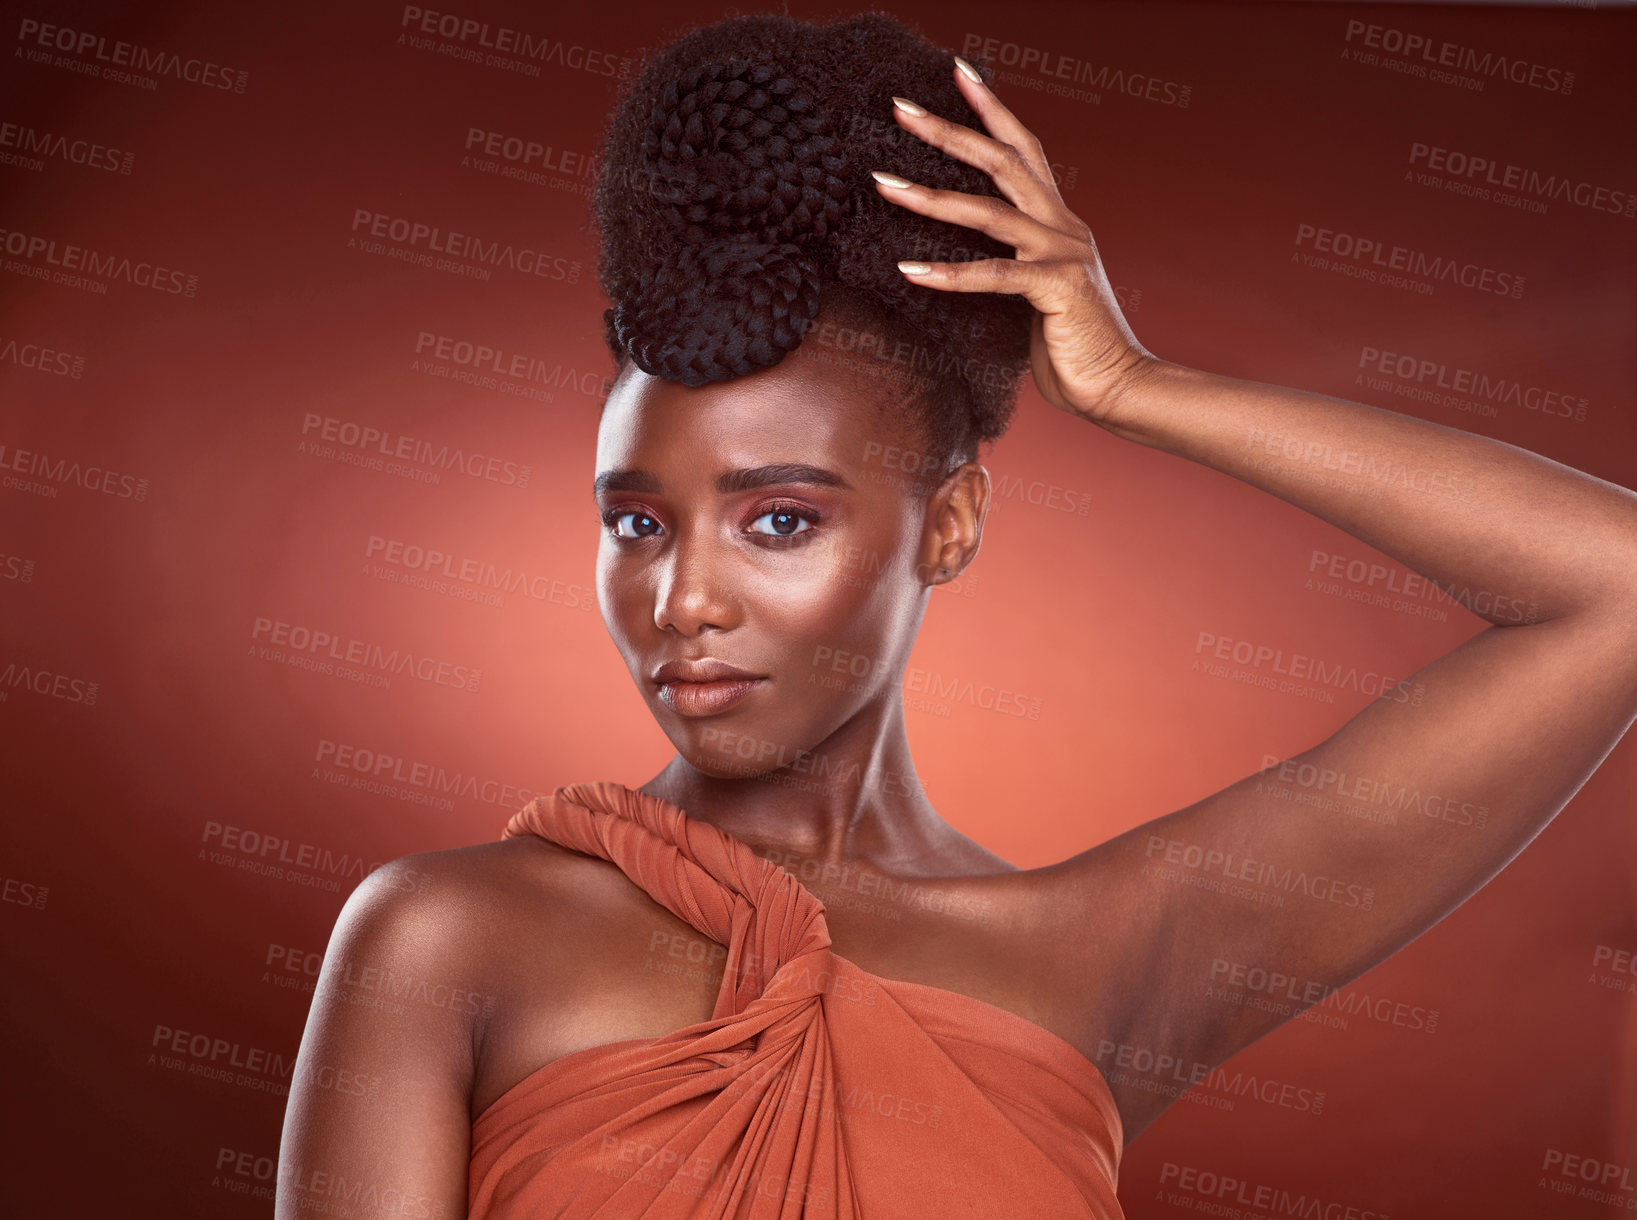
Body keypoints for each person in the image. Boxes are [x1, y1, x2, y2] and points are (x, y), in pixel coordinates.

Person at [275, 12, 1637, 1219]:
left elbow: (1612, 586)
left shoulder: (1105, 953)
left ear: (948, 525)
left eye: (778, 519)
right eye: (636, 522)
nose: (680, 600)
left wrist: (1129, 386)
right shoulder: (447, 933)